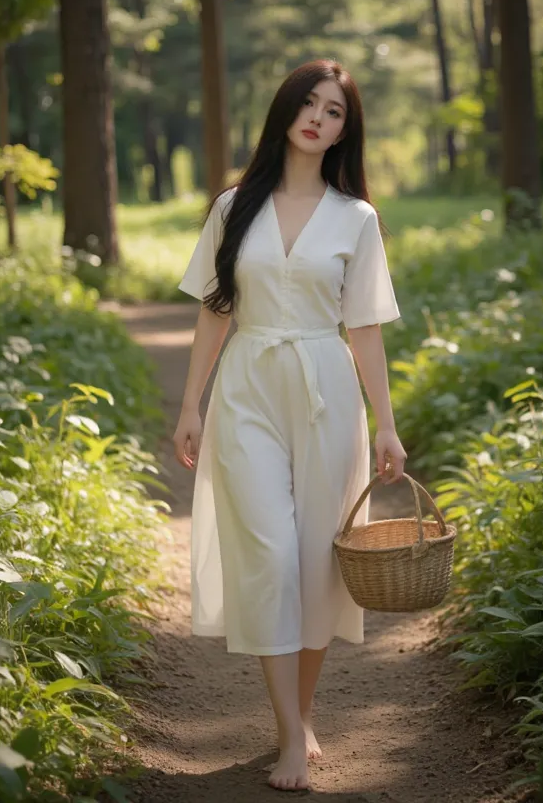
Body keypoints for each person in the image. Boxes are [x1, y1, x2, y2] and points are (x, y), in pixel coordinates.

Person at [173, 59, 407, 792]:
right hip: (247, 387)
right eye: (307, 103)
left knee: (313, 561)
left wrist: (387, 426)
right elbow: (214, 310)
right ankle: (286, 734)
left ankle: (302, 718)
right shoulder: (233, 206)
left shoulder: (356, 218)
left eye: (333, 110)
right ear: (284, 111)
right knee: (270, 553)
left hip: (326, 387)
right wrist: (191, 403)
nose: (317, 118)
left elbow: (364, 327)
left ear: (346, 129)